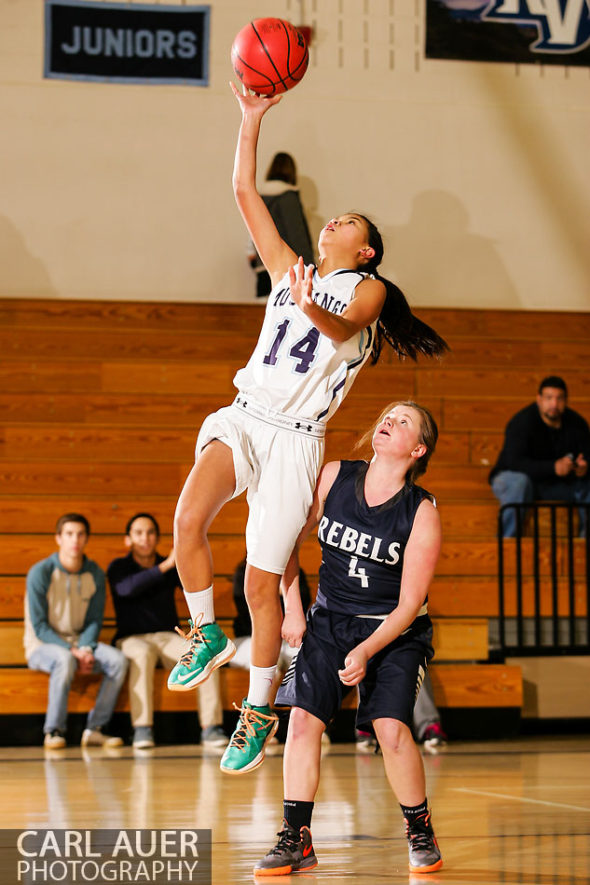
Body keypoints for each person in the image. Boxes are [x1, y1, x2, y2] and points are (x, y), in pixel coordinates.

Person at [167, 84, 448, 776]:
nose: (330, 226)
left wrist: (306, 302)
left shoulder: (366, 292)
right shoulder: (293, 269)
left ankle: (259, 706)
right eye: (330, 221)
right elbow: (243, 193)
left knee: (265, 589)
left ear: (368, 248)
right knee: (187, 520)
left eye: (345, 222)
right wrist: (250, 119)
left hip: (296, 439)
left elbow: (342, 326)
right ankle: (206, 634)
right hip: (246, 414)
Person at [254, 401, 443, 876]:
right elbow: (284, 544)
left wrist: (365, 649)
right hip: (330, 619)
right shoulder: (335, 475)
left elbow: (408, 605)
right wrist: (294, 611)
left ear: (418, 449)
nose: (388, 421)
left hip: (394, 631)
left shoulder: (421, 512)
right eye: (387, 414)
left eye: (403, 422)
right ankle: (296, 836)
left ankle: (419, 827)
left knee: (391, 729)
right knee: (301, 722)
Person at [107, 513, 228, 750]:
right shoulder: (119, 567)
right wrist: (165, 566)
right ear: (128, 539)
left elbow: (192, 586)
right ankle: (142, 729)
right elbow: (126, 589)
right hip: (130, 639)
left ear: (157, 537)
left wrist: (186, 557)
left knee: (205, 654)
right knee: (140, 655)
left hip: (167, 636)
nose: (145, 538)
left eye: (150, 532)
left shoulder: (170, 565)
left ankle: (212, 728)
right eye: (138, 533)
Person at [24, 513, 128, 750]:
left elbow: (94, 620)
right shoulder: (40, 572)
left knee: (118, 661)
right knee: (64, 659)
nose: (75, 540)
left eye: (80, 534)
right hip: (42, 646)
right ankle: (54, 730)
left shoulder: (95, 573)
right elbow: (39, 627)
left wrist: (85, 647)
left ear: (86, 539)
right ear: (58, 538)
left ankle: (95, 729)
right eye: (69, 534)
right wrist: (73, 651)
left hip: (80, 643)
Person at [489, 376, 590, 537]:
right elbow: (513, 462)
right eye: (549, 398)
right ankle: (506, 544)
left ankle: (585, 546)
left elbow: (586, 455)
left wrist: (583, 468)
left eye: (559, 398)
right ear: (539, 399)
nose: (554, 404)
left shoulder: (577, 424)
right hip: (516, 481)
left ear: (566, 400)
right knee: (519, 483)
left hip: (557, 486)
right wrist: (553, 467)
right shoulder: (521, 422)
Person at [246, 151, 314, 298]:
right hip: (289, 269)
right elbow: (297, 234)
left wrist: (253, 256)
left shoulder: (259, 197)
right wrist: (310, 268)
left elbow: (253, 229)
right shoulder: (288, 198)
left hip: (264, 264)